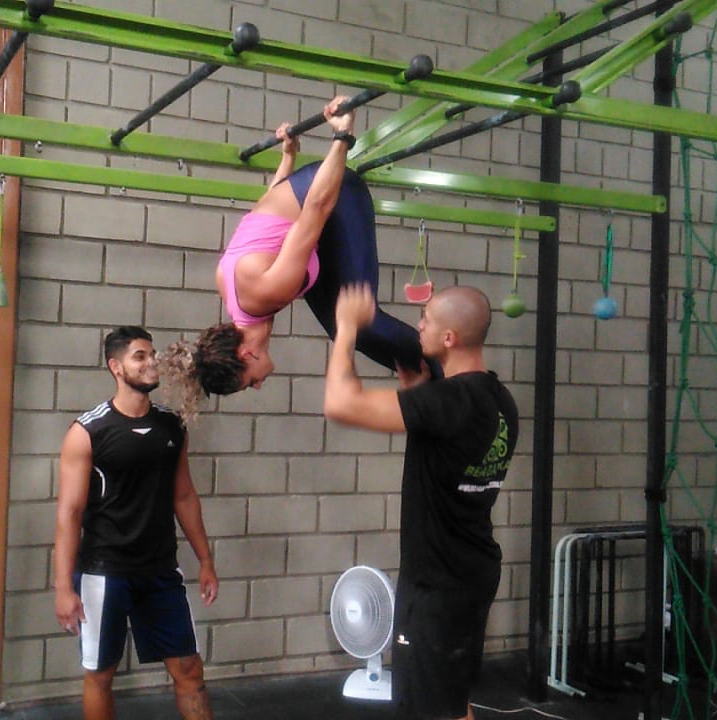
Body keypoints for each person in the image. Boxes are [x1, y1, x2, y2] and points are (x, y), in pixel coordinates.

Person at [161, 96, 434, 418]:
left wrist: (342, 136)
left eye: (250, 382)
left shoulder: (266, 291)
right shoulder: (237, 300)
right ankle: (425, 378)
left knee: (365, 322)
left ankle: (449, 371)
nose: (258, 386)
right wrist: (288, 157)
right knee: (343, 330)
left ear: (246, 354)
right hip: (310, 199)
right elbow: (269, 207)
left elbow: (316, 208)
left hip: (335, 194)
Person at [323, 284, 519, 720]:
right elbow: (449, 441)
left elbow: (340, 403)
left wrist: (346, 327)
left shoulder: (447, 402)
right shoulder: (499, 400)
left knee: (429, 710)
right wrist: (417, 392)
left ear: (449, 338)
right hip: (472, 572)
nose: (418, 326)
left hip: (436, 586)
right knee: (451, 702)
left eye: (426, 319)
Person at [53, 325, 219, 720]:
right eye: (139, 356)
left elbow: (184, 496)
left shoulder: (172, 427)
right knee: (100, 675)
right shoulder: (87, 432)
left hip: (160, 570)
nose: (151, 362)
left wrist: (205, 560)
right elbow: (69, 513)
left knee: (189, 668)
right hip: (104, 572)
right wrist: (63, 587)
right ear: (116, 367)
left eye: (152, 354)